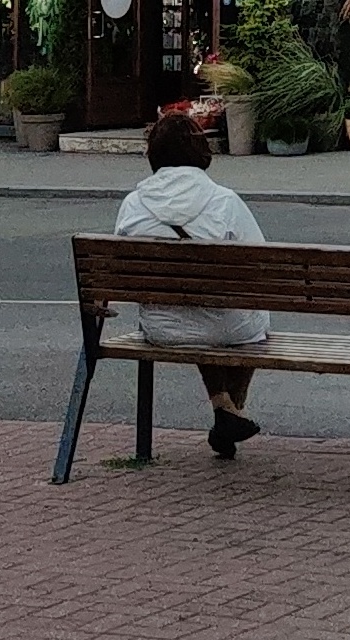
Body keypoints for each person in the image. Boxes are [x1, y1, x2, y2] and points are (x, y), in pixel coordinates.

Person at [113, 112, 271, 458]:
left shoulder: (133, 206)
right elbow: (260, 269)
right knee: (235, 319)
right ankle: (231, 410)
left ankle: (223, 409)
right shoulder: (225, 202)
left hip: (163, 326)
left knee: (194, 314)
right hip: (229, 327)